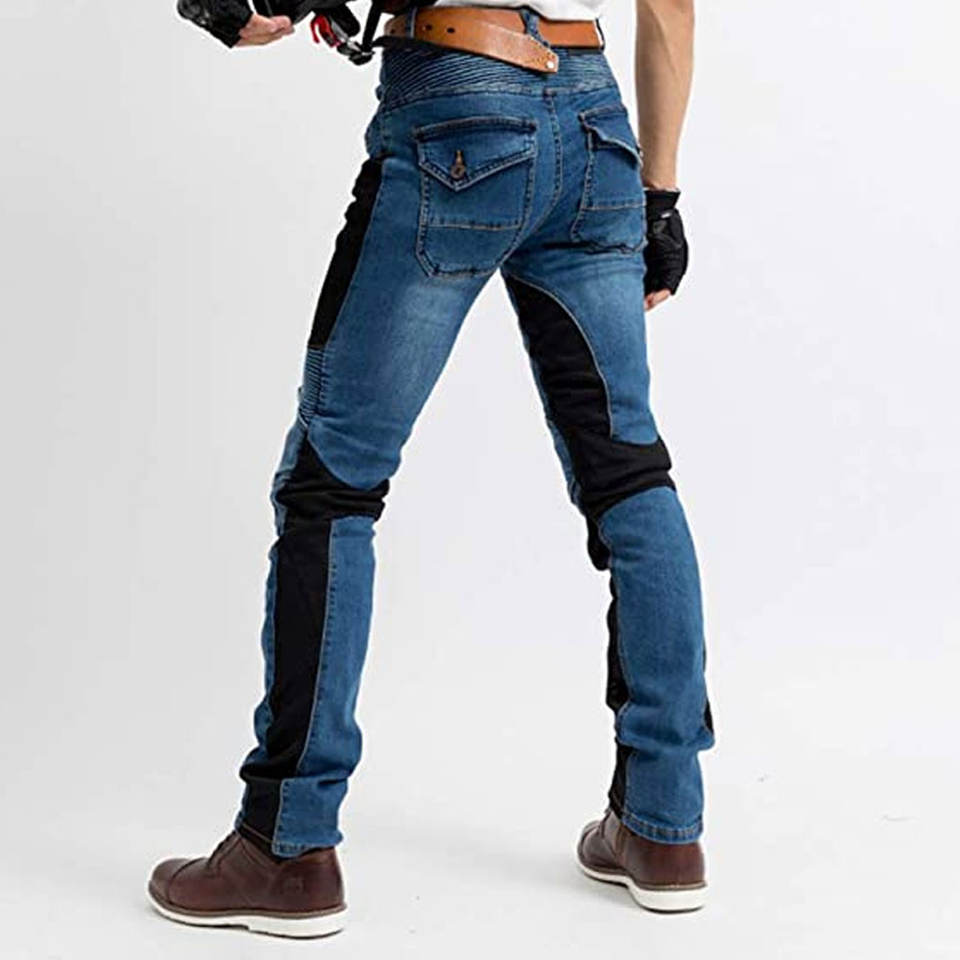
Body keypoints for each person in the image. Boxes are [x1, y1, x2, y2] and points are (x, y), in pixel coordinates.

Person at [148, 0, 714, 937]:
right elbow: (671, 7)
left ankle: (286, 846)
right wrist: (661, 197)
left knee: (333, 484)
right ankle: (664, 826)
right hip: (596, 126)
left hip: (462, 100)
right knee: (629, 476)